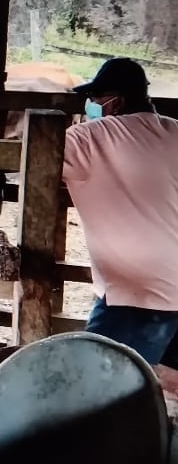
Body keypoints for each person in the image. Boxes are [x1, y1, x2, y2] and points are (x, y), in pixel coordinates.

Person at [63, 56, 178, 373]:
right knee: (163, 391)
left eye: (95, 99)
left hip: (138, 298)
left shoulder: (87, 140)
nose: (90, 105)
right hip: (166, 292)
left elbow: (27, 157)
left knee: (96, 387)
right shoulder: (174, 131)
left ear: (115, 102)